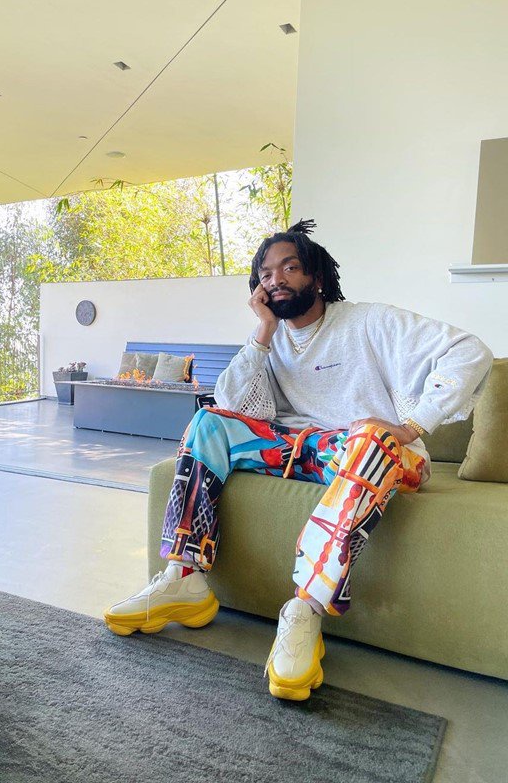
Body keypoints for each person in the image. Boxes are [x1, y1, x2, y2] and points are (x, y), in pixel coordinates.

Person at [104, 219, 493, 701]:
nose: (277, 280)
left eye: (290, 268)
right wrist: (263, 331)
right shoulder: (271, 338)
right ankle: (184, 579)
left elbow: (468, 350)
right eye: (266, 274)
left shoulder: (368, 321)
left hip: (378, 454)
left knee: (371, 438)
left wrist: (412, 425)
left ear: (318, 277)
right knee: (207, 421)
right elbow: (229, 404)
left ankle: (304, 609)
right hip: (303, 449)